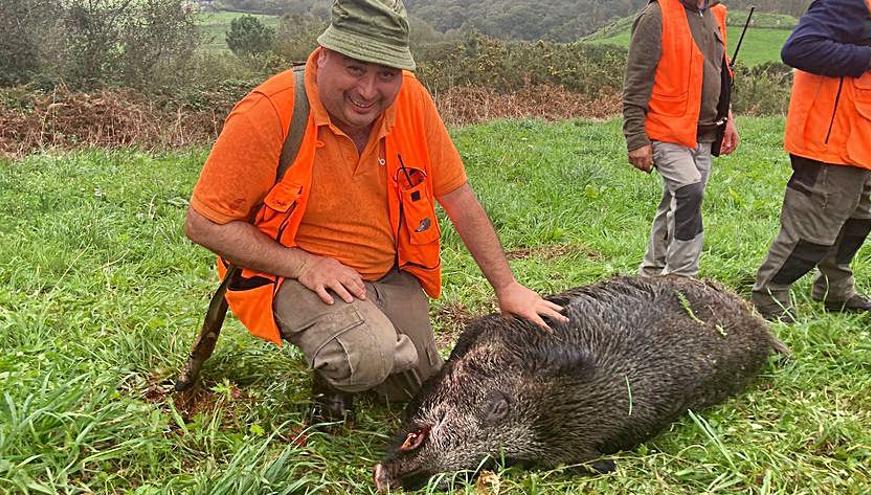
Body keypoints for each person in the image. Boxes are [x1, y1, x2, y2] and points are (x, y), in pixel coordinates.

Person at [184, 0, 566, 425]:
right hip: (291, 274)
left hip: (386, 274)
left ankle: (370, 342)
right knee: (368, 357)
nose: (368, 91)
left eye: (386, 75)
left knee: (424, 388)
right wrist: (304, 264)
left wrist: (507, 286)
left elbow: (458, 198)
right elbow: (203, 223)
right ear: (323, 55)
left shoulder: (413, 104)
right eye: (355, 68)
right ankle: (343, 367)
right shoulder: (271, 110)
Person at [751, 0, 871, 322]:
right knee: (811, 231)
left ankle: (836, 291)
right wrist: (869, 58)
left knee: (856, 223)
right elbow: (799, 49)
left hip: (857, 139)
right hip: (829, 139)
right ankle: (769, 299)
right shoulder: (846, 3)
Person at [623, 0, 739, 278]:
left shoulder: (715, 12)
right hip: (665, 131)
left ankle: (651, 273)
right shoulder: (656, 15)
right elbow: (636, 82)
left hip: (706, 132)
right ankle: (682, 276)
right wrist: (636, 138)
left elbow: (719, 72)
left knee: (676, 202)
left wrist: (729, 118)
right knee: (689, 192)